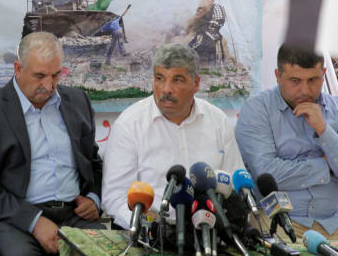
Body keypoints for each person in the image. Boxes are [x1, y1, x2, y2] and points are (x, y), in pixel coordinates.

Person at [0, 31, 103, 256]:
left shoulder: (77, 100)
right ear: (18, 68)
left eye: (56, 75)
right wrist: (34, 222)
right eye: (39, 76)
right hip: (12, 217)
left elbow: (93, 162)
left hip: (74, 213)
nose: (49, 86)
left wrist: (94, 198)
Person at [235, 45, 338, 253]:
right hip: (275, 220)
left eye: (313, 80)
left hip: (332, 222)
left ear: (324, 75)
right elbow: (266, 175)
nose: (305, 90)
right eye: (295, 81)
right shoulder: (257, 110)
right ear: (278, 76)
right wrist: (328, 163)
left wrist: (324, 131)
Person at [102, 43, 243, 230]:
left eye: (177, 80)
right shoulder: (130, 124)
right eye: (160, 78)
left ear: (196, 84)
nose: (166, 89)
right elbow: (115, 199)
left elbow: (234, 184)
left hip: (209, 231)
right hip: (152, 234)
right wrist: (147, 230)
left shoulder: (217, 120)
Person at [187, 0, 227, 66]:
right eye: (215, 21)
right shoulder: (195, 34)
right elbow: (204, 6)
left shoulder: (220, 40)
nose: (217, 24)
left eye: (220, 22)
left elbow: (226, 59)